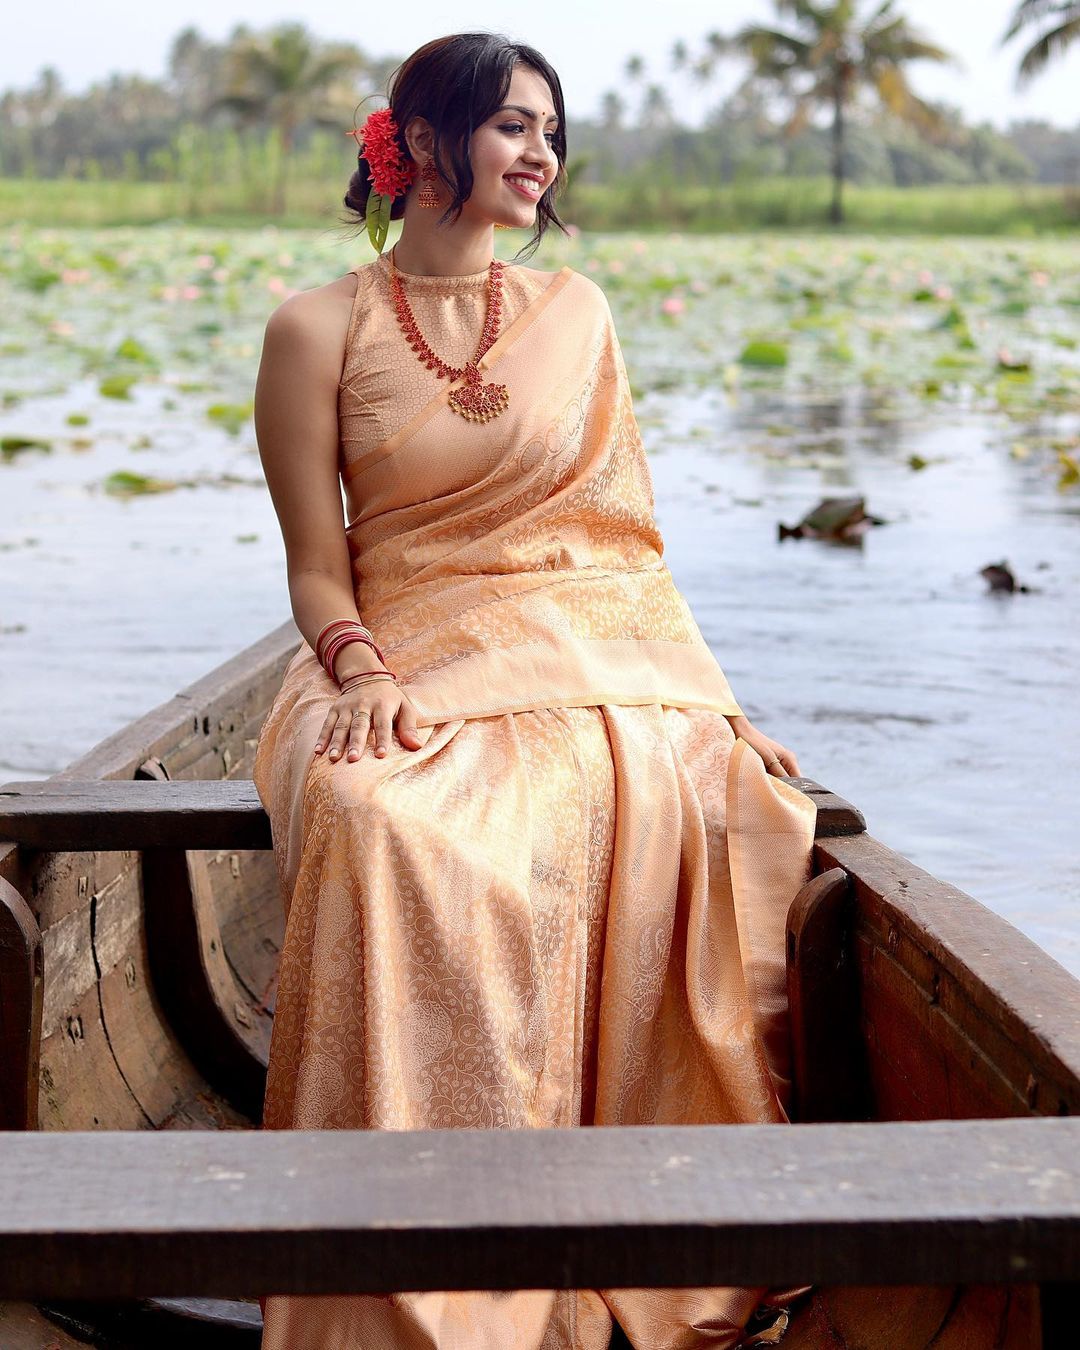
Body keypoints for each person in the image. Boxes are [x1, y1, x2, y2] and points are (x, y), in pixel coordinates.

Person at [251, 29, 819, 1350]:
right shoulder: (314, 328)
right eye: (514, 125)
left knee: (675, 784)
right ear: (425, 142)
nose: (543, 154)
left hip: (584, 643)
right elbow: (318, 569)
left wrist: (705, 702)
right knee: (373, 817)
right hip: (399, 649)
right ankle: (393, 1236)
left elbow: (624, 543)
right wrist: (357, 675)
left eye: (552, 132)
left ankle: (619, 1208)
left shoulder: (578, 313)